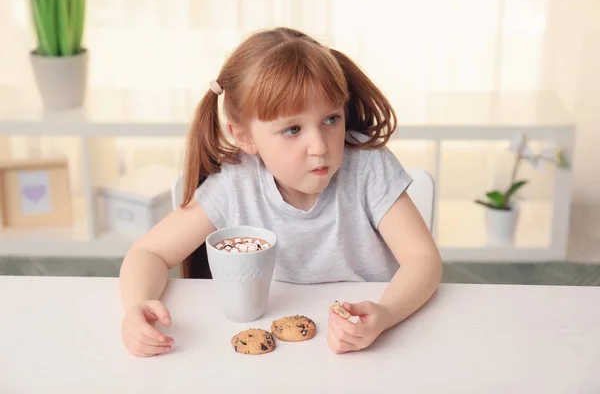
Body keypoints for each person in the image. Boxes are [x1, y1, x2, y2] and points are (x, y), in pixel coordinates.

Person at [119, 27, 442, 358]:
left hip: (370, 349)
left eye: (331, 118)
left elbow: (423, 260)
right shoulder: (236, 185)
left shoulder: (369, 168)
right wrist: (136, 307)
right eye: (292, 129)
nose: (319, 146)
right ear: (244, 136)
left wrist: (385, 314)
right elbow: (149, 254)